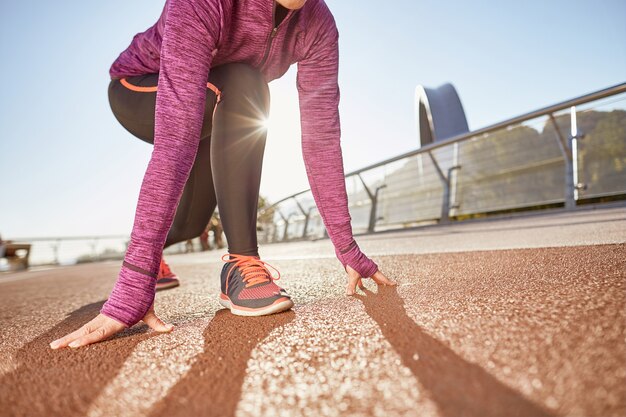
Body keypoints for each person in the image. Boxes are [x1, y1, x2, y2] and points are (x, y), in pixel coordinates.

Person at [50, 0, 396, 350]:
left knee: (191, 224)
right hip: (140, 86)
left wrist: (347, 247)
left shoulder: (318, 25)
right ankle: (240, 265)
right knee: (248, 83)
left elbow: (321, 137)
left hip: (219, 99)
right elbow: (176, 138)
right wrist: (133, 286)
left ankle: (157, 256)